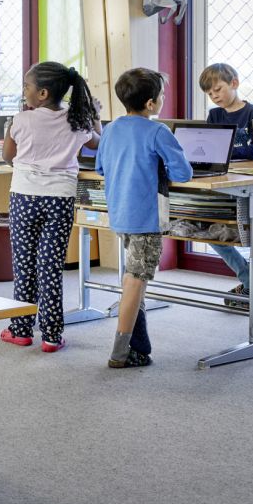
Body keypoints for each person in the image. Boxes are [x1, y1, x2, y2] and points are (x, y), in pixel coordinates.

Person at [0, 62, 101, 352]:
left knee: (24, 265)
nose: (24, 91)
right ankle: (52, 336)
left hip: (24, 197)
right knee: (51, 266)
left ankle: (20, 330)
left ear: (42, 93)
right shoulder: (78, 121)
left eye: (26, 87)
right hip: (60, 199)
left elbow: (8, 156)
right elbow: (98, 143)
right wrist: (96, 114)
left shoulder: (21, 120)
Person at [96, 68, 192, 368]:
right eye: (161, 95)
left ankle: (139, 347)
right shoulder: (158, 131)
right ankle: (120, 352)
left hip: (121, 213)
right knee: (136, 281)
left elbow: (101, 167)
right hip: (146, 219)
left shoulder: (111, 128)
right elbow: (183, 173)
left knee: (131, 276)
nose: (163, 99)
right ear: (151, 104)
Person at [198, 62, 253, 309]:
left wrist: (228, 150)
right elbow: (210, 147)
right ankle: (249, 280)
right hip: (223, 182)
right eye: (210, 94)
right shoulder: (215, 115)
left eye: (218, 89)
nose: (215, 96)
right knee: (212, 232)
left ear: (234, 83)